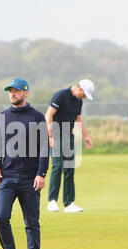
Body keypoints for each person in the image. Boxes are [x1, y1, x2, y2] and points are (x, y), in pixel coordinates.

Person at [0, 78, 49, 249]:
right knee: (1, 217)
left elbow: (43, 148)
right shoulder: (2, 116)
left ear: (26, 93)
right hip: (7, 177)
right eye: (10, 91)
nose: (13, 94)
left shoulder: (37, 117)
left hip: (30, 178)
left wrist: (41, 174)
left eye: (16, 91)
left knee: (31, 222)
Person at [45, 79, 95, 213]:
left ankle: (68, 203)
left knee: (69, 168)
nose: (84, 97)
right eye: (84, 94)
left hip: (68, 135)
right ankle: (52, 201)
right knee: (57, 165)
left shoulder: (78, 101)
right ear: (79, 88)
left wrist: (86, 137)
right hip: (55, 133)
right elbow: (49, 114)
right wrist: (49, 135)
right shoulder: (61, 95)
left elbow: (78, 119)